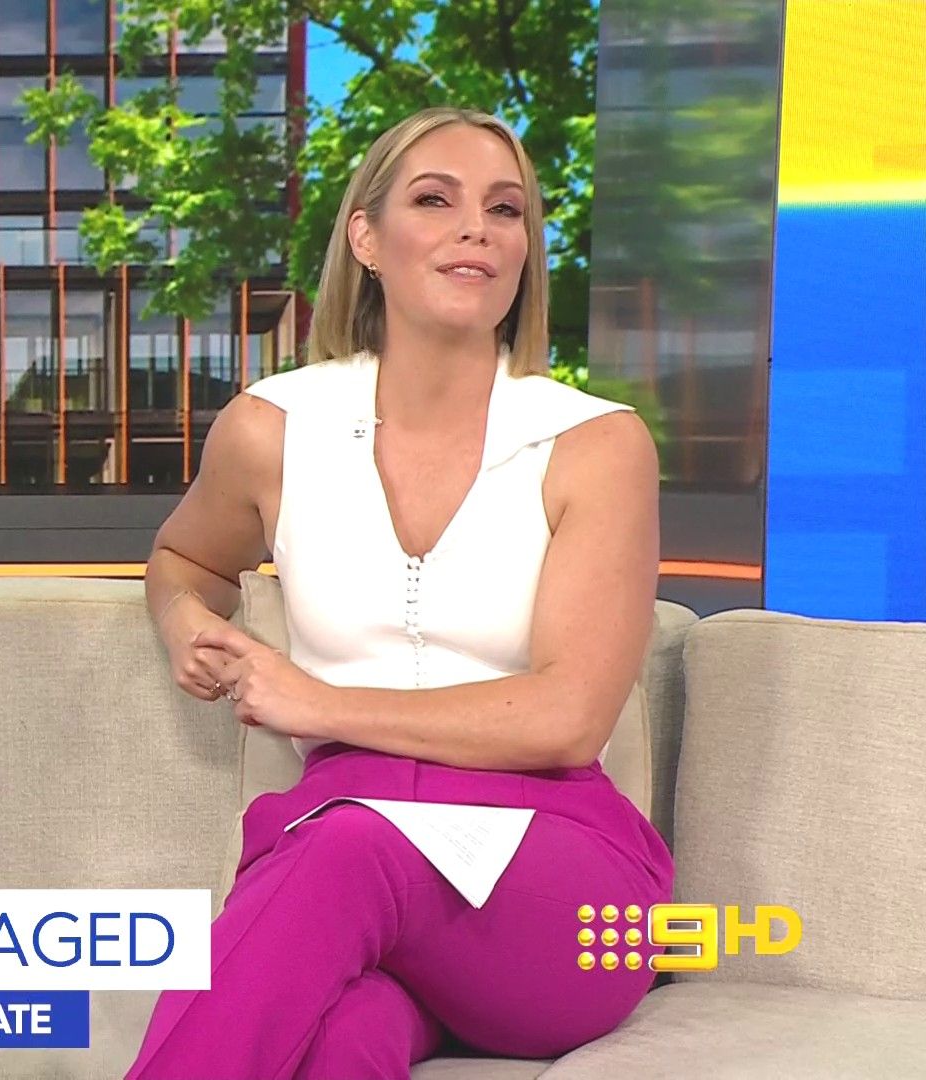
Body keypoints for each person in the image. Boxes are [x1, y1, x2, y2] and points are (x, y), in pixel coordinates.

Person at [126, 107, 674, 1079]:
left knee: (346, 850)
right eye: (435, 200)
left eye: (504, 210)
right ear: (366, 238)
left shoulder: (595, 444)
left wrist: (319, 704)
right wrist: (183, 624)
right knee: (346, 1039)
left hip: (557, 875)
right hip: (356, 863)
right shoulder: (272, 429)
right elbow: (184, 558)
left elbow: (567, 720)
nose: (477, 230)